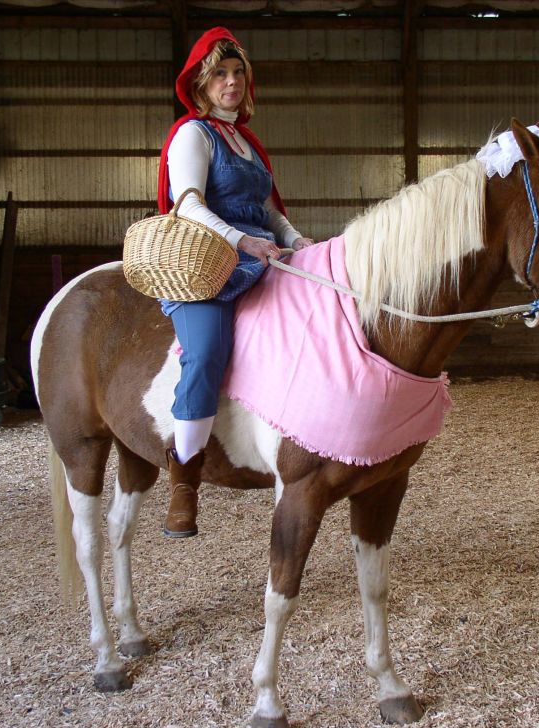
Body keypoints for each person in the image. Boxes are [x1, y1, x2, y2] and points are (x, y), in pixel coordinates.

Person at [156, 27, 315, 538]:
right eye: (220, 74)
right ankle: (184, 480)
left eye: (237, 73)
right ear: (202, 83)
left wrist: (298, 239)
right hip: (206, 260)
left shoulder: (247, 143)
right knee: (205, 352)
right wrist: (242, 242)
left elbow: (268, 211)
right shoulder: (192, 134)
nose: (230, 82)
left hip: (261, 253)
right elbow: (189, 204)